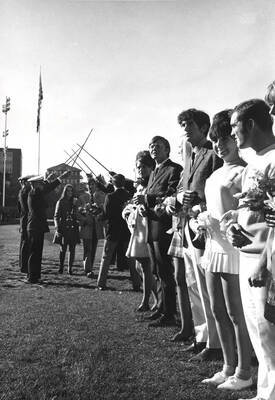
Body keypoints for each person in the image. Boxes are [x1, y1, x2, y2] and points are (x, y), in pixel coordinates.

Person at [195, 110, 252, 390]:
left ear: (237, 136)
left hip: (233, 251)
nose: (220, 145)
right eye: (215, 140)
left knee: (235, 314)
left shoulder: (245, 171)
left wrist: (222, 222)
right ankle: (228, 366)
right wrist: (201, 219)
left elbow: (246, 214)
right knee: (217, 310)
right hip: (212, 248)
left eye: (225, 138)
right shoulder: (214, 174)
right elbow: (211, 210)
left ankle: (244, 371)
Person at [225, 99, 275, 400]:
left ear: (251, 124)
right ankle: (263, 394)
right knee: (258, 334)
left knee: (270, 334)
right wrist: (233, 225)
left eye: (235, 126)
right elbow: (246, 209)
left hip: (266, 260)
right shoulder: (252, 163)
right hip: (247, 256)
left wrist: (264, 264)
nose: (233, 134)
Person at [175, 108, 223, 361]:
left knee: (207, 288)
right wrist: (176, 200)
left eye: (189, 123)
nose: (185, 128)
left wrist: (199, 205)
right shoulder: (190, 157)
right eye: (182, 124)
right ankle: (201, 336)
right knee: (193, 284)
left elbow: (219, 194)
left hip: (205, 228)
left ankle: (215, 343)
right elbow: (181, 189)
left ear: (204, 127)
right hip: (187, 229)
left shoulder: (214, 154)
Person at [133, 136, 182, 327]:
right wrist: (145, 206)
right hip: (151, 224)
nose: (153, 149)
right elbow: (150, 198)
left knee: (165, 270)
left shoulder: (174, 169)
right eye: (151, 146)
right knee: (156, 269)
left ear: (167, 149)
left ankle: (169, 313)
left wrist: (147, 200)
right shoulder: (154, 172)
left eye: (157, 146)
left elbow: (171, 194)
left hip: (164, 226)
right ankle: (161, 307)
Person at [122, 151, 158, 311]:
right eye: (139, 167)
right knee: (139, 267)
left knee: (145, 266)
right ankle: (157, 299)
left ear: (151, 167)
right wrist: (128, 211)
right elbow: (133, 204)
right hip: (138, 229)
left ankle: (146, 301)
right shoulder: (140, 185)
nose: (141, 170)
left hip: (148, 228)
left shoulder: (153, 183)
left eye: (144, 166)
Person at [26, 170, 70, 283]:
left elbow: (46, 188)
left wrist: (49, 179)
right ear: (35, 185)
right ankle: (32, 276)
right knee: (34, 252)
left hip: (36, 227)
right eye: (40, 183)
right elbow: (47, 188)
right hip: (35, 227)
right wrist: (60, 178)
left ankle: (35, 275)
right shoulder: (34, 192)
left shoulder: (35, 192)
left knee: (37, 252)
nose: (42, 185)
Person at [97, 174, 140, 290]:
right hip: (126, 231)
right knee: (131, 258)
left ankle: (101, 283)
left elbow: (106, 214)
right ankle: (136, 284)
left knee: (106, 257)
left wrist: (98, 215)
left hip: (113, 230)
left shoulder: (110, 196)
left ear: (113, 183)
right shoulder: (129, 196)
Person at [53, 184, 80, 275]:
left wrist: (76, 206)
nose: (70, 192)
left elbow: (77, 214)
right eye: (68, 191)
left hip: (73, 228)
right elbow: (56, 216)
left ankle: (70, 268)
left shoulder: (75, 202)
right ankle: (61, 267)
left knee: (72, 249)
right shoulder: (60, 202)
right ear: (65, 191)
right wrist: (57, 227)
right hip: (63, 228)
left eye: (71, 191)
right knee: (63, 249)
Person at [17, 174, 34, 273]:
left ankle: (22, 264)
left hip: (23, 220)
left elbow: (19, 209)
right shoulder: (26, 192)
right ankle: (24, 267)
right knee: (26, 245)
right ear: (26, 182)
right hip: (27, 221)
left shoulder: (21, 192)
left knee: (23, 244)